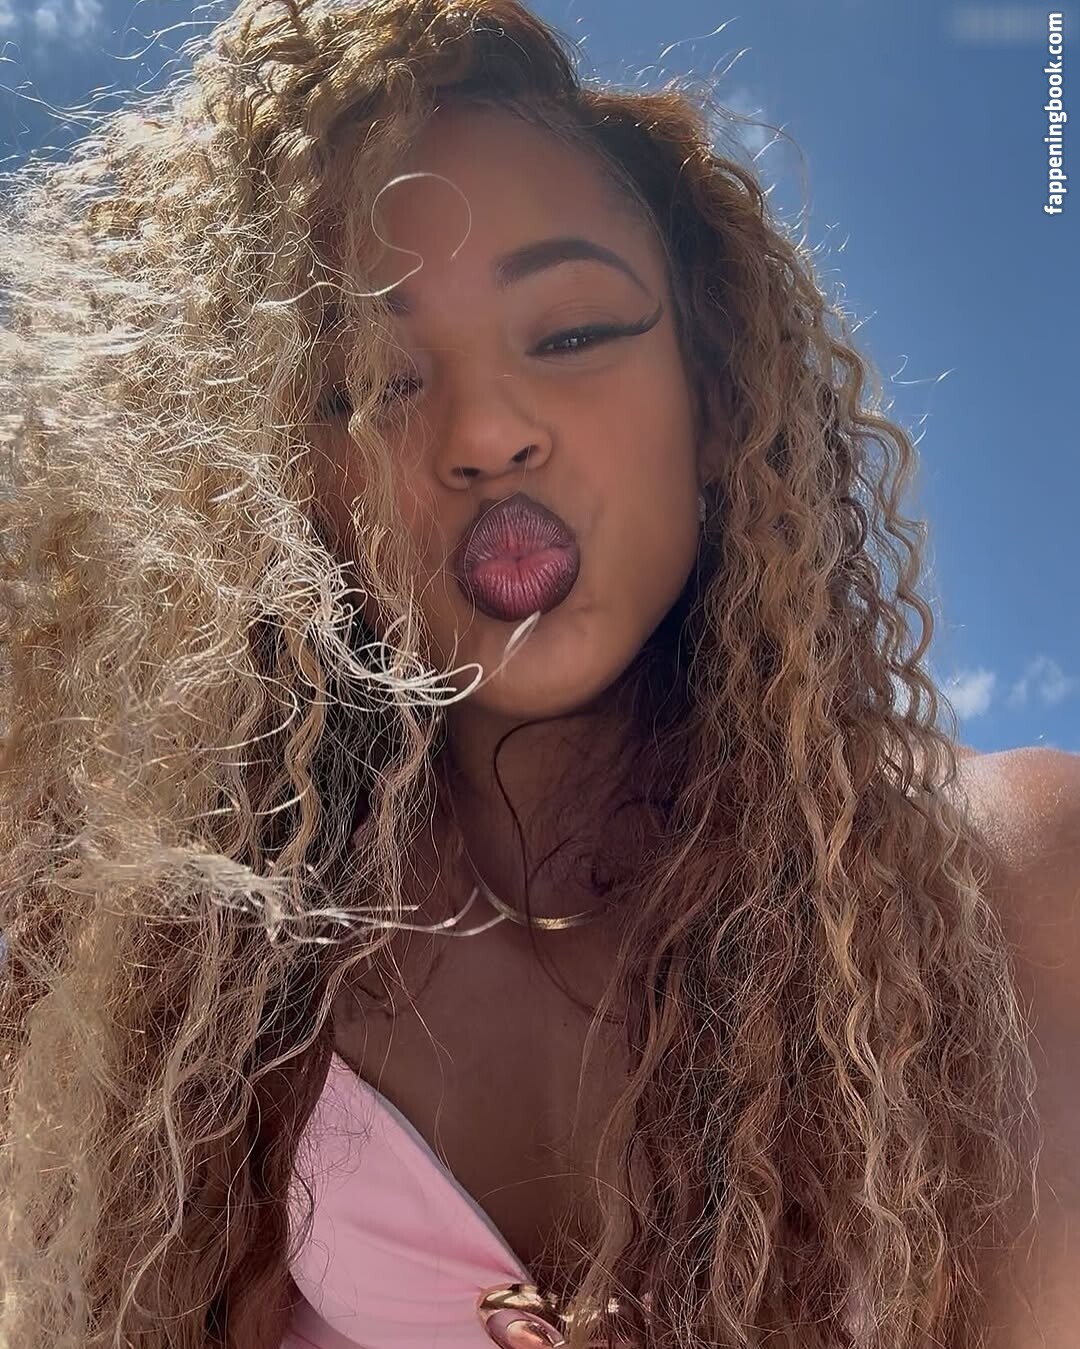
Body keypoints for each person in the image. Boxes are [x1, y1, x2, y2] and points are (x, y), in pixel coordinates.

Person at [1, 1, 1077, 1347]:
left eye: (569, 335)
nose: (484, 430)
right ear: (283, 495)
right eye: (364, 383)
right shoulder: (182, 968)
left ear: (719, 405)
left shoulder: (1014, 887)